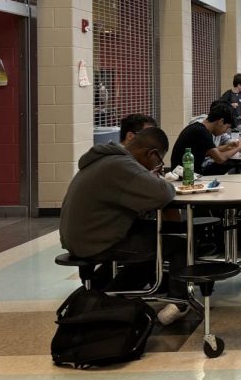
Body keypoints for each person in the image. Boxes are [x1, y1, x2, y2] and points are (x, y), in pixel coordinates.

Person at [58, 124, 188, 323]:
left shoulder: (105, 160)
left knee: (152, 237)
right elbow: (163, 192)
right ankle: (179, 302)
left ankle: (106, 292)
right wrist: (156, 179)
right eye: (158, 161)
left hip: (82, 236)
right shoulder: (122, 166)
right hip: (94, 241)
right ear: (151, 153)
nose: (156, 166)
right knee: (178, 239)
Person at [170, 102, 241, 173]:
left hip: (186, 173)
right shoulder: (202, 132)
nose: (225, 131)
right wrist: (239, 148)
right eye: (226, 127)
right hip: (185, 176)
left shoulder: (198, 128)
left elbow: (208, 152)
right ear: (221, 121)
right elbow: (220, 158)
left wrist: (228, 147)